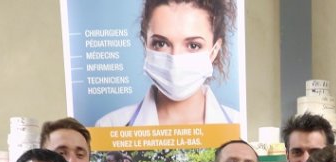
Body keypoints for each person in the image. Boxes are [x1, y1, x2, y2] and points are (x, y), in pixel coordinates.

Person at [96, 0, 240, 126]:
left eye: (193, 45)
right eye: (161, 43)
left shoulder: (239, 126)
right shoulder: (110, 126)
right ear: (145, 44)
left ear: (214, 51)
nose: (175, 58)